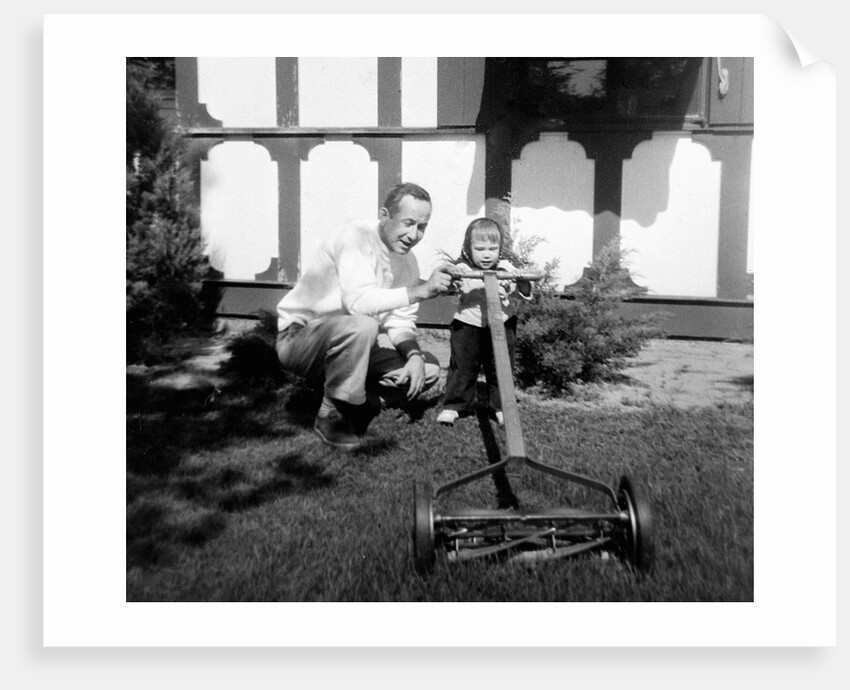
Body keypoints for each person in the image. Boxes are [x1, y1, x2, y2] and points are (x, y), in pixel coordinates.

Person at [276, 182, 453, 450]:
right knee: (364, 325)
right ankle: (331, 415)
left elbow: (400, 320)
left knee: (426, 369)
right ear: (384, 215)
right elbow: (358, 302)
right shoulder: (355, 236)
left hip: (354, 342)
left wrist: (414, 356)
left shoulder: (408, 261)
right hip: (300, 338)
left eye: (422, 227)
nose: (413, 234)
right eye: (408, 222)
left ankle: (360, 399)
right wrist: (421, 291)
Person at [436, 217, 533, 427]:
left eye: (492, 248)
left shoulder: (506, 267)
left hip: (502, 323)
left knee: (501, 366)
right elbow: (448, 282)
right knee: (463, 366)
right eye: (480, 249)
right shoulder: (462, 267)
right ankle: (454, 406)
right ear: (469, 248)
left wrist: (521, 280)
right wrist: (454, 276)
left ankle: (501, 407)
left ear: (500, 249)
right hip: (468, 324)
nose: (487, 254)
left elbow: (523, 292)